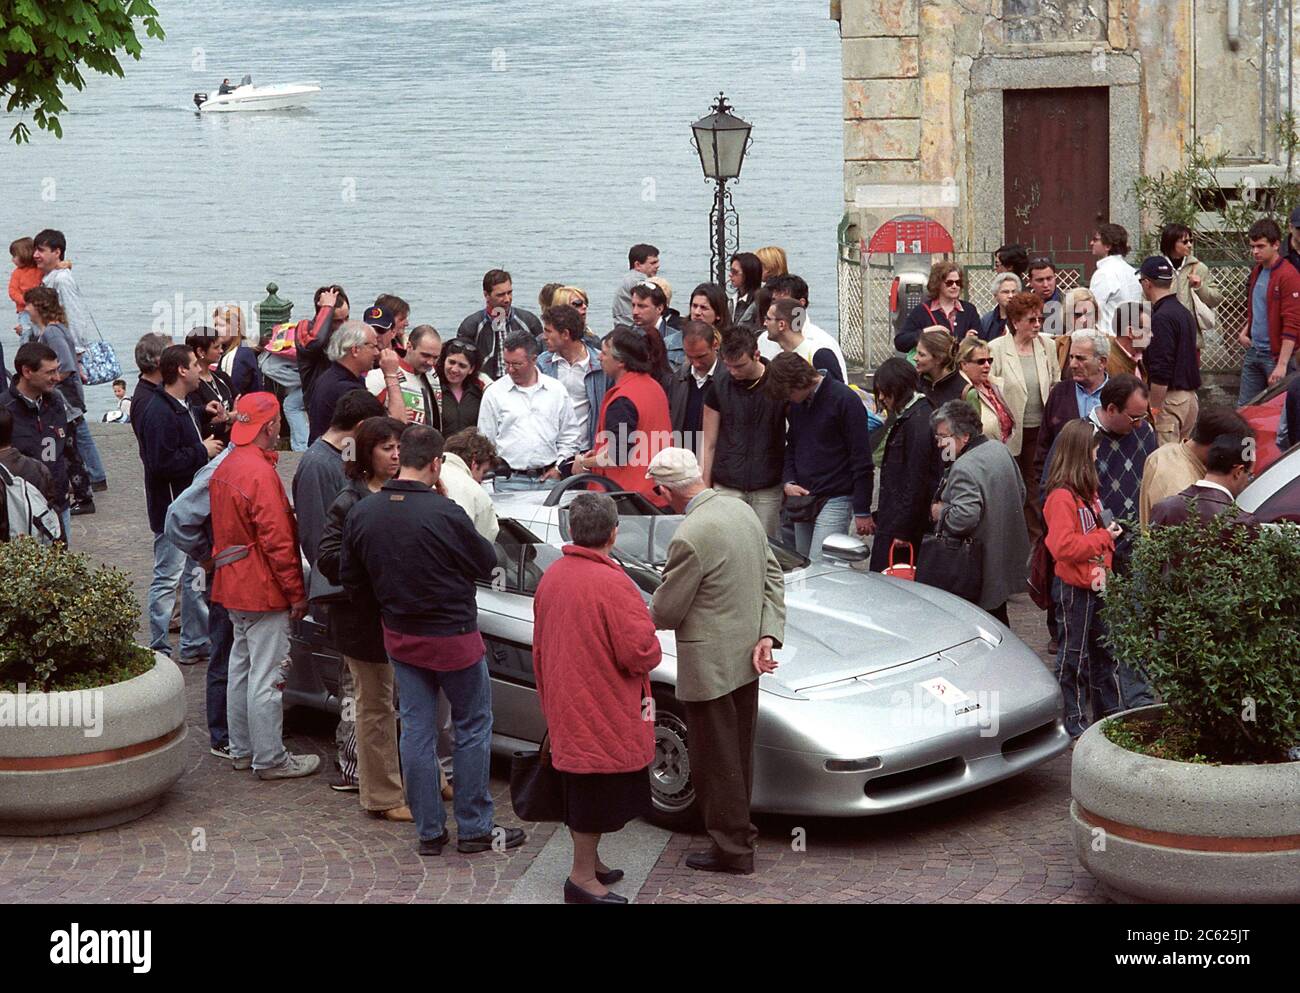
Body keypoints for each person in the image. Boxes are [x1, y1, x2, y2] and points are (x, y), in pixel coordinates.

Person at [339, 425, 525, 857]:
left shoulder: (365, 512)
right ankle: (475, 826)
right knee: (472, 726)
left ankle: (429, 830)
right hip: (453, 636)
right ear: (437, 464)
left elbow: (351, 579)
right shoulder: (445, 513)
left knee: (416, 730)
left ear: (400, 457)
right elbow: (484, 560)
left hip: (402, 636)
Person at [647, 447, 785, 876]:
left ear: (667, 490)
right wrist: (768, 633)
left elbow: (665, 612)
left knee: (715, 762)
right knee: (738, 754)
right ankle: (738, 835)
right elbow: (773, 576)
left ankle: (732, 848)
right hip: (747, 656)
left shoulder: (689, 535)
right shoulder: (741, 511)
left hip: (709, 664)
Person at [533, 491, 663, 904]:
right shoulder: (613, 583)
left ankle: (592, 865)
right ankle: (581, 879)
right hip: (603, 704)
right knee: (594, 794)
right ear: (613, 533)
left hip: (567, 699)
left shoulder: (552, 575)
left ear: (572, 530)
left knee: (580, 786)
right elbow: (638, 653)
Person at [210, 392, 317, 780]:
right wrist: (296, 594)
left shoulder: (227, 465)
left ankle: (241, 749)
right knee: (267, 676)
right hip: (260, 586)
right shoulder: (259, 473)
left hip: (232, 583)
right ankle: (270, 758)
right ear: (271, 426)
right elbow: (278, 542)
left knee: (241, 668)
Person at [316, 416, 412, 821]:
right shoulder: (350, 499)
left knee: (405, 704)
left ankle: (411, 779)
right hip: (364, 620)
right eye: (386, 448)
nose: (395, 455)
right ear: (367, 454)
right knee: (374, 708)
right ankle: (383, 795)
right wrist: (372, 565)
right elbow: (327, 557)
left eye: (398, 448)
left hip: (402, 617)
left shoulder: (403, 492)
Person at [290, 388, 385, 791]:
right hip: (340, 594)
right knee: (352, 684)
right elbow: (316, 541)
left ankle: (358, 762)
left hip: (349, 591)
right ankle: (350, 766)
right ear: (360, 430)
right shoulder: (316, 466)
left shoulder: (335, 461)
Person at [136, 344, 224, 665]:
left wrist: (204, 414)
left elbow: (183, 426)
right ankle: (159, 647)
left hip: (188, 509)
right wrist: (203, 451)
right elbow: (160, 462)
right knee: (167, 577)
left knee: (193, 577)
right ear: (182, 371)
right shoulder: (158, 412)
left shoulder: (181, 404)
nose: (201, 371)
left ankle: (194, 642)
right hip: (172, 511)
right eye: (195, 366)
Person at [1042, 419, 1123, 740]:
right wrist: (1105, 537)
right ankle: (1073, 723)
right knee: (1073, 657)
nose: (1097, 454)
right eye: (1094, 448)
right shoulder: (1062, 497)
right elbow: (1063, 547)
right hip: (1075, 587)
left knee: (1104, 653)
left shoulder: (1085, 491)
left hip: (1095, 583)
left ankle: (1108, 717)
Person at [164, 442, 235, 761]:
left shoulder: (233, 463)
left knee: (234, 650)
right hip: (222, 575)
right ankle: (221, 733)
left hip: (231, 573)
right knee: (224, 649)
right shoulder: (219, 470)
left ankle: (235, 725)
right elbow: (176, 518)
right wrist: (206, 557)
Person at [929, 400, 1029, 625]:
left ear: (964, 436)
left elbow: (963, 518)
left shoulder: (964, 467)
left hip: (979, 569)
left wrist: (940, 512)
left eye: (943, 437)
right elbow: (1021, 493)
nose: (939, 444)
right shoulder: (999, 449)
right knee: (999, 621)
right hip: (1003, 559)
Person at [765, 352, 873, 560]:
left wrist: (862, 509)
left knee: (821, 565)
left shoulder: (844, 400)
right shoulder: (798, 404)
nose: (787, 400)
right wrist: (788, 481)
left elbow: (861, 458)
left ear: (796, 383)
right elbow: (792, 446)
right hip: (803, 496)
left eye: (787, 394)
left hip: (836, 495)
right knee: (803, 565)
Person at [571, 327, 673, 508]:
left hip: (628, 498)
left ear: (621, 361)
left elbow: (618, 455)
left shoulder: (623, 399)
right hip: (657, 491)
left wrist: (584, 463)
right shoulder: (653, 387)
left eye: (604, 353)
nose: (599, 357)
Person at [699, 326, 785, 537]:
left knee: (767, 545)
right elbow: (708, 442)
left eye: (740, 366)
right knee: (728, 542)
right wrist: (704, 486)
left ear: (756, 355)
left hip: (767, 482)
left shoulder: (778, 384)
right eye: (728, 366)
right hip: (727, 481)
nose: (734, 372)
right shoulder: (719, 386)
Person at [989, 291, 1061, 541]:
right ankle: (1007, 538)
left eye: (1039, 319)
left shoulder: (1047, 345)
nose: (1037, 325)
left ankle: (1036, 541)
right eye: (1031, 320)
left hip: (1038, 430)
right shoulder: (996, 349)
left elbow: (1055, 382)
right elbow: (990, 388)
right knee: (1007, 486)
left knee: (1034, 487)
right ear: (1015, 321)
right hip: (1008, 432)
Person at [24, 286, 95, 512]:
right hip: (69, 398)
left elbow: (65, 363)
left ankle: (83, 496)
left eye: (29, 305)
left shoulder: (52, 333)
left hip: (65, 400)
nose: (26, 309)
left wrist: (49, 384)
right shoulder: (54, 329)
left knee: (69, 450)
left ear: (39, 307)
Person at [478, 331, 580, 489]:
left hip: (549, 479)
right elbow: (485, 441)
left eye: (517, 364)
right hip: (508, 480)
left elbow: (570, 436)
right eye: (506, 363)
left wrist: (559, 468)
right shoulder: (494, 393)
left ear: (534, 360)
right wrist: (486, 484)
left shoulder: (556, 390)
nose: (510, 370)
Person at [868, 358, 940, 572]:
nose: (881, 398)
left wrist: (903, 529)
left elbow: (915, 480)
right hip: (898, 521)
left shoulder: (917, 423)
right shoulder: (916, 416)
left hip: (903, 527)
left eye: (885, 392)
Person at [0, 343, 75, 540]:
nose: (57, 378)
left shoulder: (56, 401)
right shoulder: (5, 409)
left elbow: (68, 447)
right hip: (20, 507)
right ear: (27, 371)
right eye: (50, 372)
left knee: (62, 563)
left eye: (57, 370)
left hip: (58, 501)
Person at [1034, 330, 1110, 486]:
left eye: (1081, 358)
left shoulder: (1117, 395)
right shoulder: (1059, 393)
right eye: (1071, 357)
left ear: (1102, 362)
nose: (1073, 364)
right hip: (1065, 490)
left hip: (1106, 488)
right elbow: (1043, 447)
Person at [1138, 255, 1201, 445]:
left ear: (1147, 283)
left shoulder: (1161, 318)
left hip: (1170, 399)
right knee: (1183, 459)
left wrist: (1154, 408)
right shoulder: (1183, 312)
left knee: (1167, 462)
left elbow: (1161, 369)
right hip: (1190, 399)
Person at [1237, 217, 1300, 404]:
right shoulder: (1257, 271)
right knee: (1244, 410)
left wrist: (1281, 364)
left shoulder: (1288, 275)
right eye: (1252, 246)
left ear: (1276, 245)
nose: (1255, 251)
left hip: (1276, 356)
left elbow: (1292, 323)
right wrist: (1244, 331)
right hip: (1254, 351)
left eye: (1260, 246)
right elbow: (1259, 308)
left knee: (1278, 412)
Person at [307, 320, 401, 444]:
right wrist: (391, 375)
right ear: (355, 350)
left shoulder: (330, 377)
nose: (377, 353)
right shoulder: (346, 389)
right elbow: (395, 426)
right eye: (373, 347)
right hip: (341, 458)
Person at [280, 285, 349, 450]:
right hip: (320, 408)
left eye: (346, 318)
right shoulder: (305, 328)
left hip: (346, 406)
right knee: (322, 455)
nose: (343, 325)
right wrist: (327, 308)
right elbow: (314, 342)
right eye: (337, 321)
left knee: (349, 456)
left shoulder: (347, 334)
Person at [1150, 430, 1257, 528]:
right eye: (1249, 475)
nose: (1247, 481)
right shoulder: (1242, 524)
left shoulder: (1164, 508)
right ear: (1238, 472)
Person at [538, 304, 609, 450]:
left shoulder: (600, 365)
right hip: (552, 449)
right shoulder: (542, 364)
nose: (544, 337)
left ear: (565, 334)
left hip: (587, 450)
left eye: (548, 331)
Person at [456, 269, 544, 379]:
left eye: (509, 293)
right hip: (485, 385)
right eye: (500, 295)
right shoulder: (471, 325)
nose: (507, 299)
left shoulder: (529, 321)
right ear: (486, 295)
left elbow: (542, 358)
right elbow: (461, 361)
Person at [766, 274, 849, 381]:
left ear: (801, 304)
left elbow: (840, 390)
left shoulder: (823, 345)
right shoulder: (765, 339)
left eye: (784, 303)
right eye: (774, 301)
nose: (775, 307)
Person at [894, 261, 982, 352]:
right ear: (938, 284)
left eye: (958, 282)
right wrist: (927, 332)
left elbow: (981, 341)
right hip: (933, 365)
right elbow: (900, 342)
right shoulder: (922, 311)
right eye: (949, 283)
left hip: (961, 364)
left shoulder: (969, 310)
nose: (954, 286)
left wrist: (968, 343)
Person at [366, 323, 442, 428]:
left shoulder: (433, 375)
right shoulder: (380, 376)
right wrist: (388, 417)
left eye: (435, 357)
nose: (430, 362)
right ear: (409, 346)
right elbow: (364, 419)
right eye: (425, 355)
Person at [1162, 223, 1221, 349]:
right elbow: (1144, 302)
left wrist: (1200, 287)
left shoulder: (1199, 268)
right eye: (1184, 242)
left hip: (1191, 340)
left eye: (1191, 241)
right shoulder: (1157, 268)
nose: (1189, 245)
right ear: (1171, 243)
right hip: (1162, 338)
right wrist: (1141, 342)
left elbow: (1216, 299)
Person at [666, 321, 719, 456]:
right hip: (681, 458)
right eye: (690, 356)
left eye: (701, 356)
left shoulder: (727, 381)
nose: (695, 363)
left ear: (715, 345)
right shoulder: (677, 379)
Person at [440, 428, 500, 541]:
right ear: (474, 463)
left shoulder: (423, 474)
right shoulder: (477, 494)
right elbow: (484, 549)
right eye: (483, 472)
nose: (481, 481)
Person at [956, 338, 1015, 445]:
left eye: (989, 360)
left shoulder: (994, 384)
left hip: (1002, 451)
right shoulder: (963, 393)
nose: (987, 365)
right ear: (964, 364)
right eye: (981, 361)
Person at [1088, 222, 1142, 333]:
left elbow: (1092, 310)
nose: (1091, 242)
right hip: (1131, 338)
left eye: (1095, 239)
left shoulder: (1103, 273)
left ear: (1108, 246)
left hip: (1110, 339)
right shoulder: (1133, 272)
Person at [185, 328, 234, 443]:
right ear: (201, 352)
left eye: (221, 347)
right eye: (216, 347)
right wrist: (231, 418)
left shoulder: (222, 377)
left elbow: (241, 404)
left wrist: (224, 419)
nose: (221, 351)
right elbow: (201, 427)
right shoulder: (192, 385)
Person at [434, 339, 492, 436]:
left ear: (471, 369)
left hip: (472, 449)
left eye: (462, 366)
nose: (454, 369)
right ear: (444, 361)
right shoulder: (431, 387)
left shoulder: (481, 391)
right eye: (451, 362)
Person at [213, 305, 263, 398]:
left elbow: (229, 393)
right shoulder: (246, 346)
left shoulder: (235, 357)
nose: (216, 329)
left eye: (221, 325)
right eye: (215, 325)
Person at [612, 244, 660, 327]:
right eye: (653, 263)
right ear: (637, 265)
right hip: (631, 329)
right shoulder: (638, 280)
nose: (657, 266)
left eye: (657, 262)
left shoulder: (628, 278)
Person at [915, 327, 965, 406]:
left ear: (938, 359)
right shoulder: (914, 384)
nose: (915, 358)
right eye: (916, 352)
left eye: (921, 355)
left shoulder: (964, 392)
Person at [9, 236, 42, 346]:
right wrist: (26, 301)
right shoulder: (17, 273)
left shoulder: (39, 269)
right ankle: (25, 349)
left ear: (24, 254)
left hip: (39, 310)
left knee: (40, 332)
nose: (12, 259)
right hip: (24, 310)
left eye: (14, 256)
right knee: (26, 331)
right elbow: (12, 292)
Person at [1026, 256, 1065, 334]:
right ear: (1030, 281)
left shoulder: (1068, 303)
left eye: (1049, 279)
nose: (1045, 285)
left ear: (1055, 277)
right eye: (1040, 280)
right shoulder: (1024, 306)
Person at [980, 272, 1021, 341]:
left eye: (1014, 292)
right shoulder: (986, 321)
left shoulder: (1024, 318)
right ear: (995, 295)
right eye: (1006, 292)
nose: (1011, 296)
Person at [728, 252, 763, 325]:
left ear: (748, 274)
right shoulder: (732, 300)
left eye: (735, 272)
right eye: (731, 270)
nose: (730, 275)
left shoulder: (759, 302)